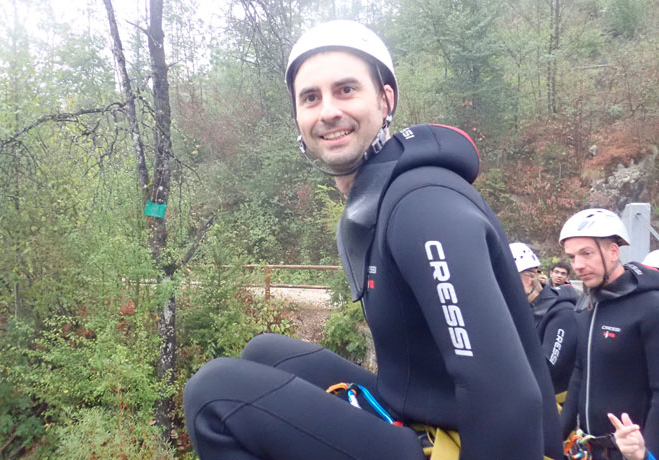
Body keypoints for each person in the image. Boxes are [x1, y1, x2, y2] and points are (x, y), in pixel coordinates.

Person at [183, 20, 563, 460]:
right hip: (424, 413)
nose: (327, 111)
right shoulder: (380, 199)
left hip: (479, 445)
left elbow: (506, 397)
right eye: (311, 97)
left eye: (346, 90)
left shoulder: (423, 205)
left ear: (386, 101)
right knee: (265, 352)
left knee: (213, 395)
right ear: (298, 118)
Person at [559, 208, 659, 460]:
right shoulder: (588, 303)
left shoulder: (650, 305)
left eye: (587, 253)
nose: (578, 265)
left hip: (631, 452)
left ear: (614, 252)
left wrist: (647, 453)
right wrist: (555, 436)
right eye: (571, 257)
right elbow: (579, 373)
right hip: (589, 448)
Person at [510, 242, 578, 395]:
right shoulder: (524, 308)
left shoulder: (562, 313)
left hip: (556, 405)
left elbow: (549, 367)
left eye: (509, 282)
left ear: (529, 280)